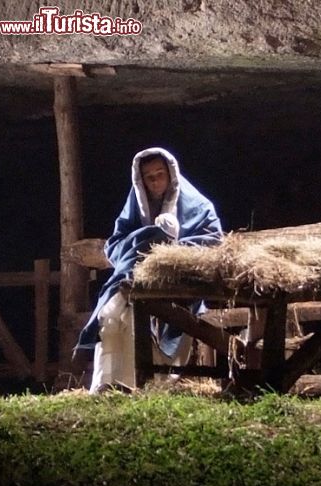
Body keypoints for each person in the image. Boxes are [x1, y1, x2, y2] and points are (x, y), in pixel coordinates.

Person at [73, 147, 224, 393]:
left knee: (164, 324)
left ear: (171, 174)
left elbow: (212, 241)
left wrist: (173, 245)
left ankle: (149, 386)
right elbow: (116, 244)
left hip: (179, 287)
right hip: (135, 283)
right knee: (113, 318)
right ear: (140, 179)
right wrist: (147, 240)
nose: (155, 182)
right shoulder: (135, 205)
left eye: (160, 174)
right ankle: (109, 384)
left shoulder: (198, 205)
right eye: (149, 177)